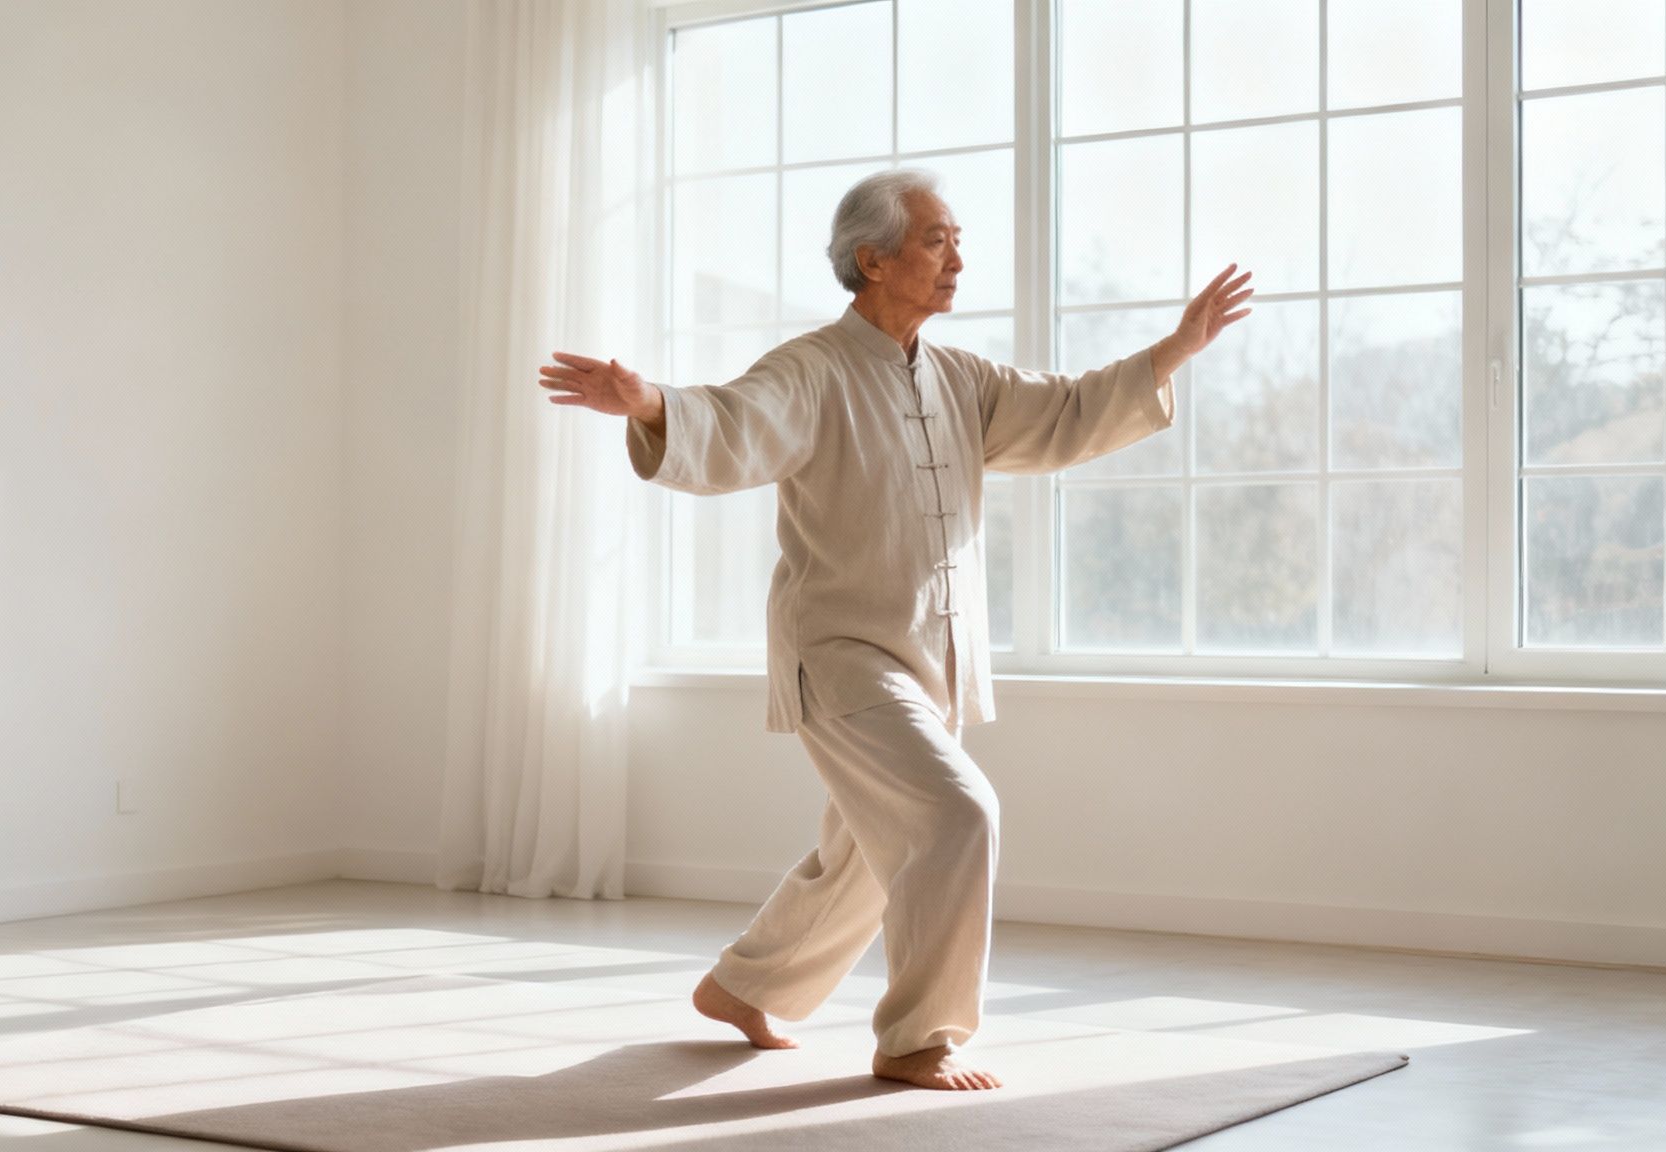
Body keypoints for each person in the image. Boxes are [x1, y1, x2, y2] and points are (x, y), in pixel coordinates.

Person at [537, 168, 1253, 1091]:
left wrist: (1176, 348)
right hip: (841, 657)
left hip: (934, 658)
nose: (956, 259)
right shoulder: (812, 369)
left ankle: (743, 988)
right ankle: (919, 1037)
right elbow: (737, 419)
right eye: (935, 240)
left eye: (957, 240)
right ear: (872, 260)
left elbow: (1070, 410)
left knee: (868, 852)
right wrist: (650, 405)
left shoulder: (961, 378)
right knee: (954, 815)